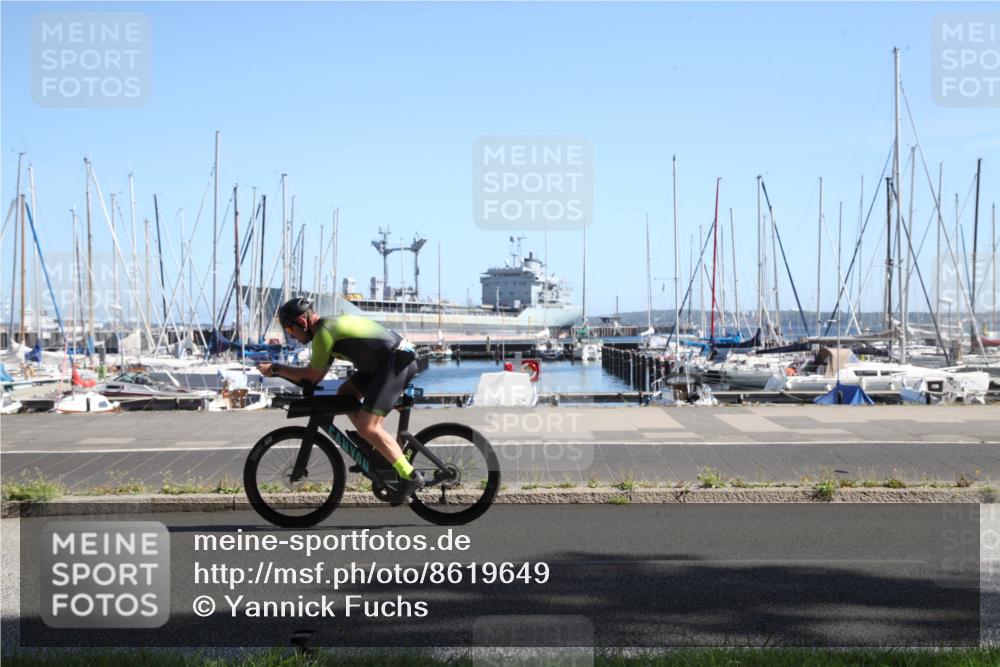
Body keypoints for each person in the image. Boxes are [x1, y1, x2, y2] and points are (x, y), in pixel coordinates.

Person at [257, 297, 424, 503]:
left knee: (367, 427)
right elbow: (314, 374)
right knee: (346, 394)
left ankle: (410, 476)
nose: (292, 337)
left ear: (302, 322)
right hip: (383, 362)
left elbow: (312, 376)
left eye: (290, 331)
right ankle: (374, 453)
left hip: (394, 362)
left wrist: (276, 369)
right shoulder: (326, 328)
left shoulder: (323, 333)